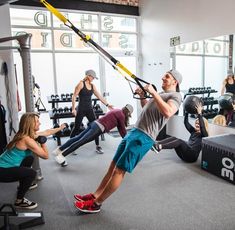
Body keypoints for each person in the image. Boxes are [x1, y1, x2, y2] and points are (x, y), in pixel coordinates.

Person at [73, 69, 183, 213]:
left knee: (119, 171)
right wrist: (144, 96)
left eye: (167, 76)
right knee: (113, 166)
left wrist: (154, 93)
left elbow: (168, 112)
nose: (163, 77)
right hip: (135, 132)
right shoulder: (162, 95)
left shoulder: (176, 96)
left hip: (144, 137)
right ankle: (95, 195)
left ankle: (97, 204)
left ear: (175, 81)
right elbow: (146, 109)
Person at [53, 104, 134, 167]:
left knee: (77, 138)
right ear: (128, 112)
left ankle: (59, 150)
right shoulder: (121, 115)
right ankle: (61, 156)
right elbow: (122, 130)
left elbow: (120, 129)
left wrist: (125, 138)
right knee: (81, 141)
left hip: (94, 123)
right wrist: (128, 141)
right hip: (98, 128)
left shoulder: (117, 110)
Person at [0, 112, 49, 209]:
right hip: (2, 171)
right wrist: (43, 143)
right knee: (31, 173)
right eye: (37, 121)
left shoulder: (22, 134)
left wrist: (60, 128)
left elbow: (47, 132)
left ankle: (23, 185)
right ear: (30, 124)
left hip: (3, 166)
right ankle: (19, 201)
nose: (40, 123)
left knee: (29, 158)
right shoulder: (27, 139)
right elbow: (45, 156)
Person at [70, 69, 113, 154]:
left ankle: (97, 146)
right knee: (76, 128)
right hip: (81, 109)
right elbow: (74, 96)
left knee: (95, 127)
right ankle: (71, 146)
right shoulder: (80, 84)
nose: (93, 79)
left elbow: (99, 96)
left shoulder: (93, 86)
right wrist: (73, 108)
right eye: (93, 77)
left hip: (90, 109)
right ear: (88, 76)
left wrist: (107, 105)